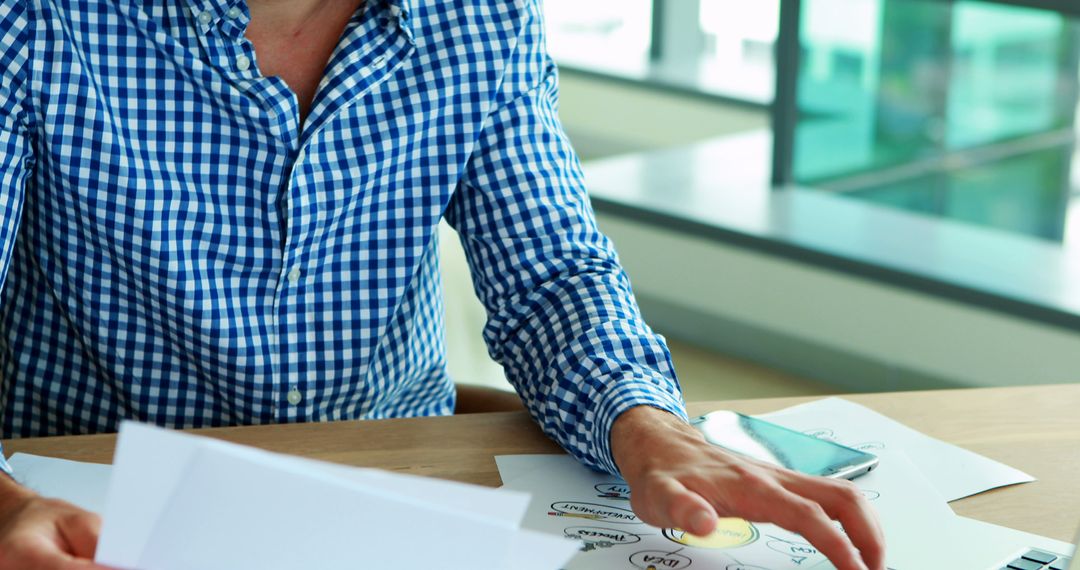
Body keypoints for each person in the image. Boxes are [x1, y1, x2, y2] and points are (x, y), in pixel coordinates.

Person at [0, 0, 885, 568]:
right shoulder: (37, 21)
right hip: (90, 501)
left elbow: (552, 276)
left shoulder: (481, 14)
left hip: (395, 497)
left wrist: (645, 425)